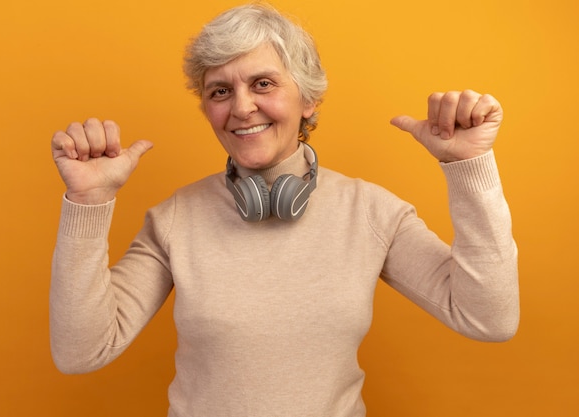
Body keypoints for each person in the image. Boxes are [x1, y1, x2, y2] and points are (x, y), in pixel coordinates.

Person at [49, 4, 519, 416]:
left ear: (309, 99)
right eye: (219, 91)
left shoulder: (372, 212)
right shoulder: (176, 218)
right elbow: (80, 352)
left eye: (263, 83)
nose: (242, 106)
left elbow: (489, 319)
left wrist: (468, 166)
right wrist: (89, 204)